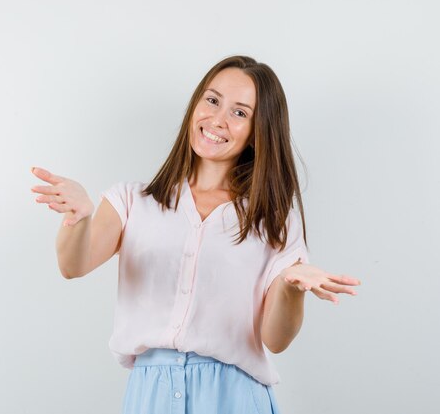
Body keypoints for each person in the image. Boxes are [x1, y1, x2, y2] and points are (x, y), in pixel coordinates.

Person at [30, 55, 361, 414]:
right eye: (212, 100)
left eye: (239, 113)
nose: (217, 119)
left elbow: (276, 340)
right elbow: (72, 265)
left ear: (258, 131)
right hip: (150, 395)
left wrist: (291, 288)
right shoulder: (132, 201)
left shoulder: (272, 221)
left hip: (234, 396)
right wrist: (80, 218)